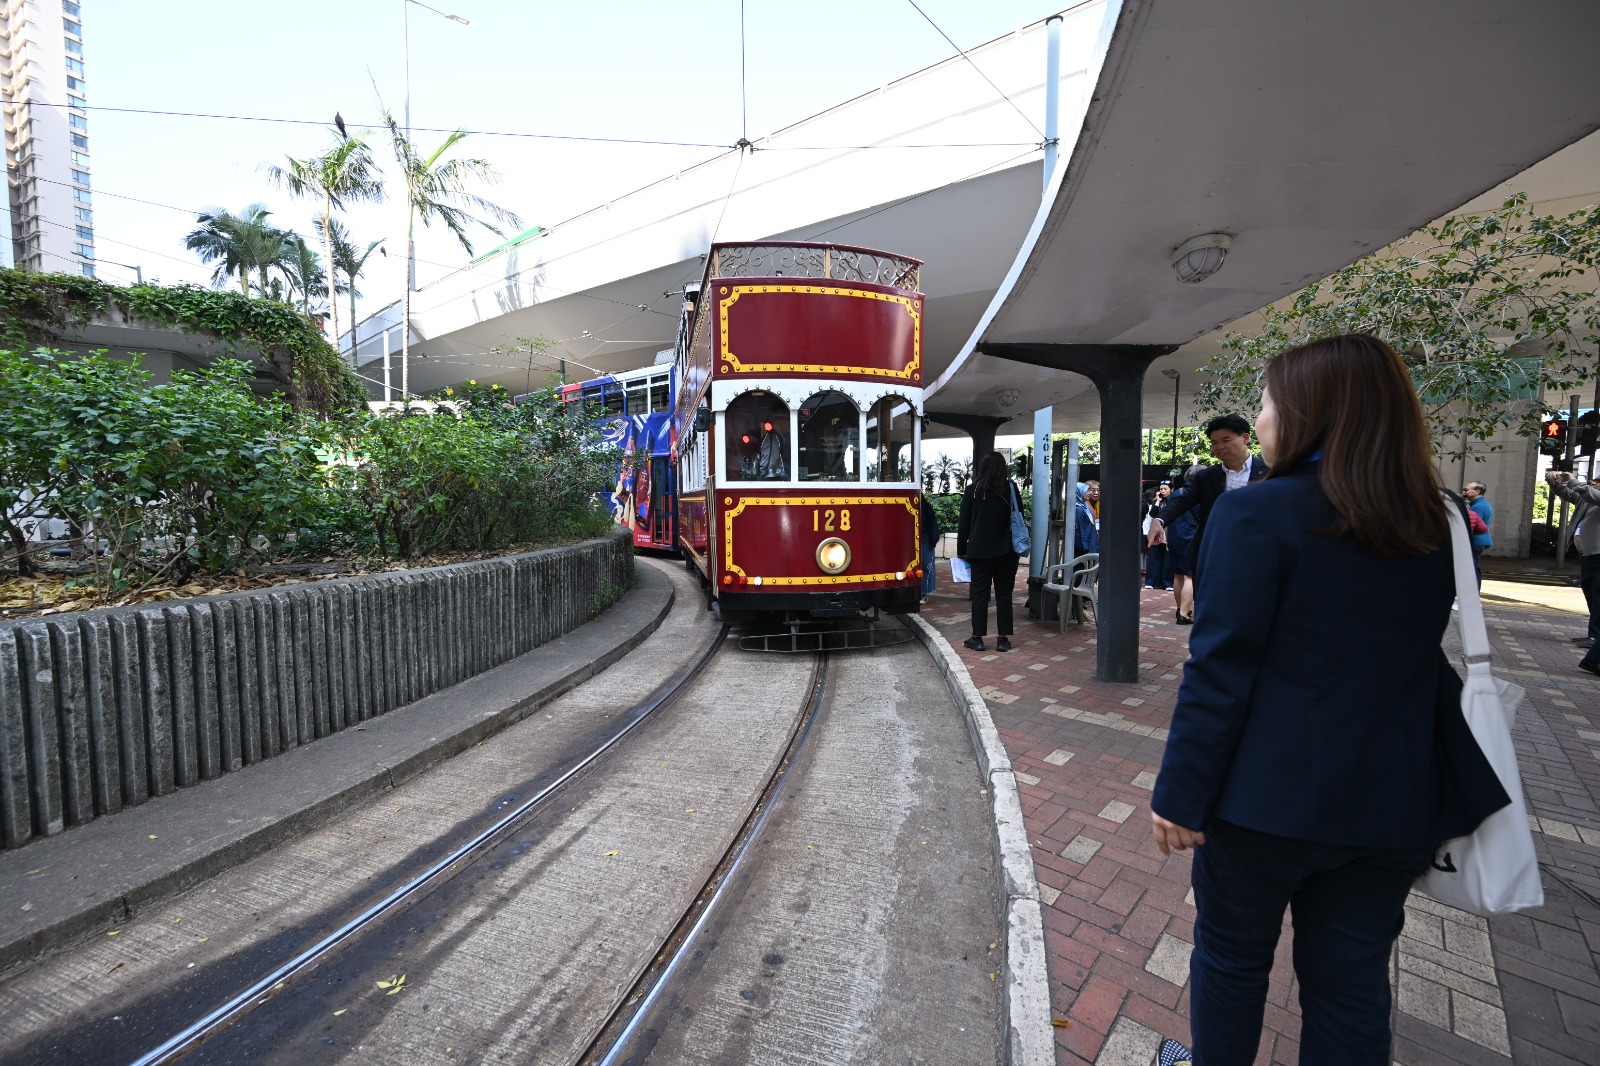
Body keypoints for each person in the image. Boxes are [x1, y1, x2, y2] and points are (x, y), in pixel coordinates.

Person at [1149, 333, 1510, 1066]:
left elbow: (1221, 670)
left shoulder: (1257, 515)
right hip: (1391, 804)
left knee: (1231, 963)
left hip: (1260, 806)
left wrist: (1181, 795)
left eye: (1269, 403)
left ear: (1310, 412)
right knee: (1350, 989)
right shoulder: (1434, 523)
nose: (1262, 419)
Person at [1147, 414, 1268, 581]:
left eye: (1226, 440)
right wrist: (1159, 520)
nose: (1219, 447)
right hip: (1215, 552)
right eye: (1214, 442)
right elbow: (1182, 501)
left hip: (1258, 550)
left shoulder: (1270, 472)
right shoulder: (1207, 477)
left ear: (1245, 438)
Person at [956, 452, 1023, 652]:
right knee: (1004, 594)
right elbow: (1018, 515)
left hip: (979, 552)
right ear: (1003, 468)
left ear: (983, 467)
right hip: (1007, 552)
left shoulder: (972, 490)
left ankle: (977, 638)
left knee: (980, 595)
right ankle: (1002, 639)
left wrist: (962, 550)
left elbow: (964, 524)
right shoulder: (1011, 489)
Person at [1545, 469, 1600, 668]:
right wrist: (1555, 483)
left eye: (1598, 481)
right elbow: (1571, 494)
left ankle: (1595, 640)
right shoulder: (1587, 498)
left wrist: (1575, 482)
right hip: (1588, 556)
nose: (1593, 483)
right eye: (1593, 480)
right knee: (1592, 595)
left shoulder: (1595, 496)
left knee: (1598, 596)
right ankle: (1593, 637)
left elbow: (1588, 493)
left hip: (1598, 556)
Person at [1164, 466, 1205, 624]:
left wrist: (1167, 538)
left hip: (1175, 537)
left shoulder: (1175, 495)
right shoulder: (1203, 495)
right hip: (1192, 538)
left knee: (1178, 575)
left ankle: (1180, 608)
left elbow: (1168, 516)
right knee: (1190, 575)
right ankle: (1183, 614)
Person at [1144, 483, 1174, 590]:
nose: (1163, 491)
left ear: (1171, 490)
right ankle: (1151, 581)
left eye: (1165, 489)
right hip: (1156, 533)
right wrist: (1157, 501)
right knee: (1153, 557)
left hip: (1169, 533)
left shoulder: (1174, 502)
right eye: (1161, 489)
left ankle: (1168, 583)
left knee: (1168, 558)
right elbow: (1152, 514)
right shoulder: (1156, 503)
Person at [1464, 481, 1493, 587]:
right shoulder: (1483, 504)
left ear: (1477, 491)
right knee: (1474, 568)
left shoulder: (1477, 507)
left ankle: (1473, 597)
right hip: (1480, 541)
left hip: (1475, 541)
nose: (1464, 492)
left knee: (1471, 569)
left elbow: (1471, 526)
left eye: (1466, 490)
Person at [920, 493, 943, 603]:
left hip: (924, 538)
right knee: (925, 565)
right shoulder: (926, 506)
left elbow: (932, 526)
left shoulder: (926, 507)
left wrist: (932, 541)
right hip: (922, 538)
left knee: (925, 566)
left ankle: (924, 592)